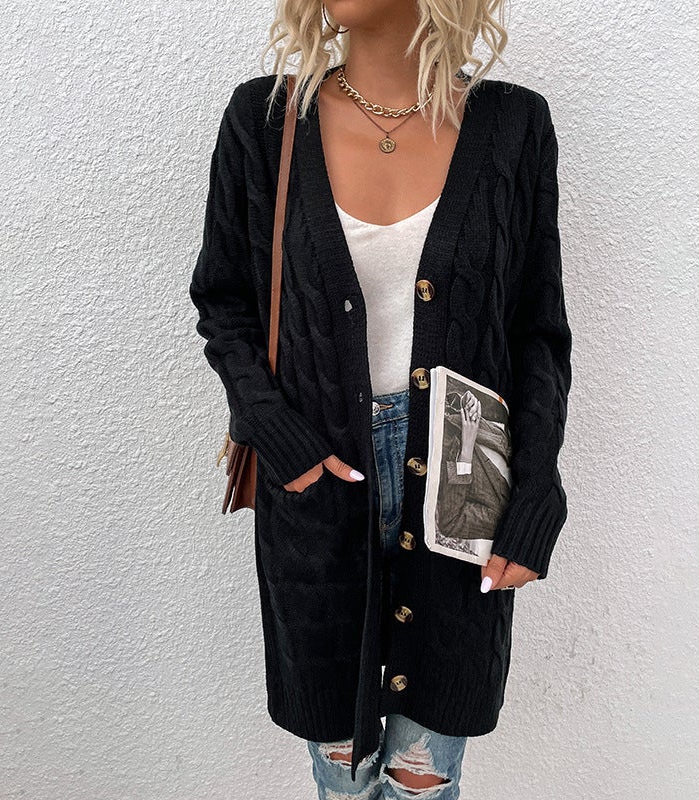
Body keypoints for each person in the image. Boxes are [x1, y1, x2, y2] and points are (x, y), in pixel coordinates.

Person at [189, 0, 572, 796]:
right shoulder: (265, 120)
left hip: (464, 494)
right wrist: (275, 432)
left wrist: (536, 488)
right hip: (322, 488)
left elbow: (537, 332)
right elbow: (224, 302)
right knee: (344, 777)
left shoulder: (513, 126)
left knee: (424, 777)